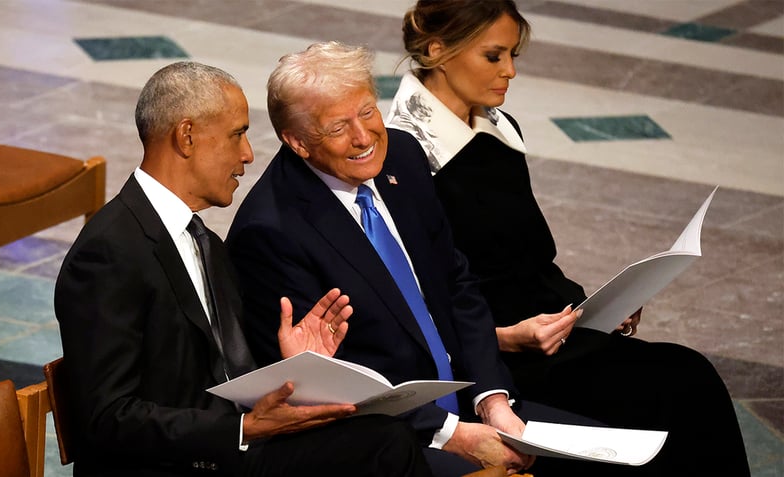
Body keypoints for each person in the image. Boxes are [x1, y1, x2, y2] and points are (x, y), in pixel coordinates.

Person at [225, 41, 641, 477]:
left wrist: (493, 400)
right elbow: (324, 381)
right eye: (337, 128)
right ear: (297, 141)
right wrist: (451, 433)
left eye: (368, 112)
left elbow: (457, 284)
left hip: (470, 400)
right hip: (393, 435)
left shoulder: (402, 154)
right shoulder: (270, 232)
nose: (364, 137)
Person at [385, 1, 750, 475]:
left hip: (555, 335)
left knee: (687, 377)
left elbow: (524, 258)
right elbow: (414, 299)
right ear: (438, 50)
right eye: (494, 56)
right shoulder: (402, 155)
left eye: (514, 55)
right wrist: (507, 339)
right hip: (495, 361)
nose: (510, 72)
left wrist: (598, 305)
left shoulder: (500, 129)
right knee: (675, 389)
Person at [54, 61, 433, 477]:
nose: (248, 155)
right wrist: (241, 428)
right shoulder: (109, 252)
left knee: (383, 435)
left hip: (231, 451)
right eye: (238, 134)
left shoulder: (204, 242)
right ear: (187, 137)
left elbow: (218, 371)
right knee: (384, 448)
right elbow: (108, 417)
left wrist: (298, 369)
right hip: (178, 463)